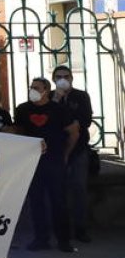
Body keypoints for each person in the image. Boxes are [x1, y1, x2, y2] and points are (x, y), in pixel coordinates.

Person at [13, 77, 78, 252]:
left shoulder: (59, 110)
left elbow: (73, 132)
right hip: (32, 162)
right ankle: (41, 239)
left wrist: (65, 155)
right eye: (31, 87)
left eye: (36, 88)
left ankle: (63, 240)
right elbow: (18, 132)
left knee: (59, 201)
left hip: (54, 161)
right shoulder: (23, 109)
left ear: (46, 91)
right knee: (36, 201)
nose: (32, 90)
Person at [50, 64, 93, 242]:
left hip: (79, 148)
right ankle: (59, 228)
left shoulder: (81, 96)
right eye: (59, 76)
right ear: (53, 79)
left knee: (79, 188)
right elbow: (49, 120)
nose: (63, 80)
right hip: (56, 150)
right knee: (57, 190)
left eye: (66, 76)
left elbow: (85, 120)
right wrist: (56, 101)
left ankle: (80, 228)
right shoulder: (50, 97)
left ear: (71, 79)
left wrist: (70, 121)